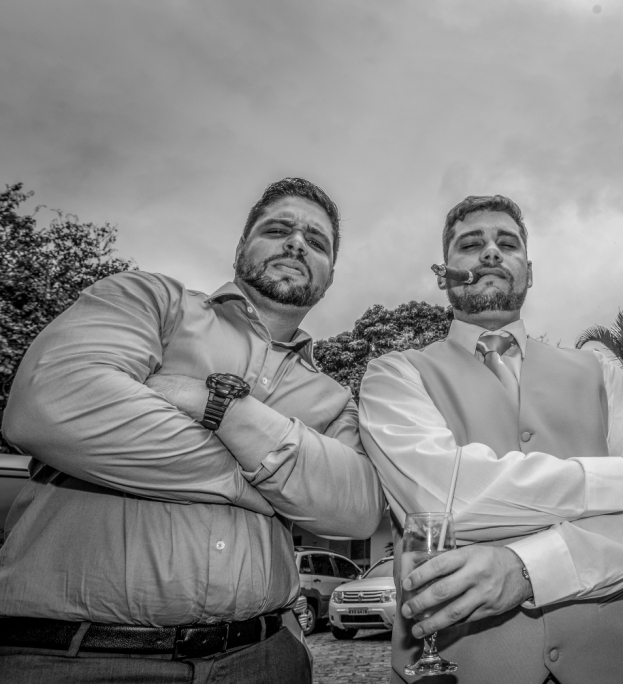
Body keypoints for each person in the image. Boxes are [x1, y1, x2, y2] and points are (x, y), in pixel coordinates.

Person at [0, 178, 385, 684]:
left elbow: (357, 508)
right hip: (78, 657)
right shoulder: (151, 302)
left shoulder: (334, 398)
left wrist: (214, 407)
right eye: (278, 229)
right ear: (241, 248)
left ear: (330, 276)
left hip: (264, 659)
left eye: (317, 242)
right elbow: (50, 404)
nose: (297, 243)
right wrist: (270, 483)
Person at [358, 194, 623, 684]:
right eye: (471, 244)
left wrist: (528, 569)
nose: (490, 252)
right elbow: (445, 493)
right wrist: (622, 482)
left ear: (529, 271)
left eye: (506, 243)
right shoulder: (394, 375)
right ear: (442, 273)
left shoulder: (600, 369)